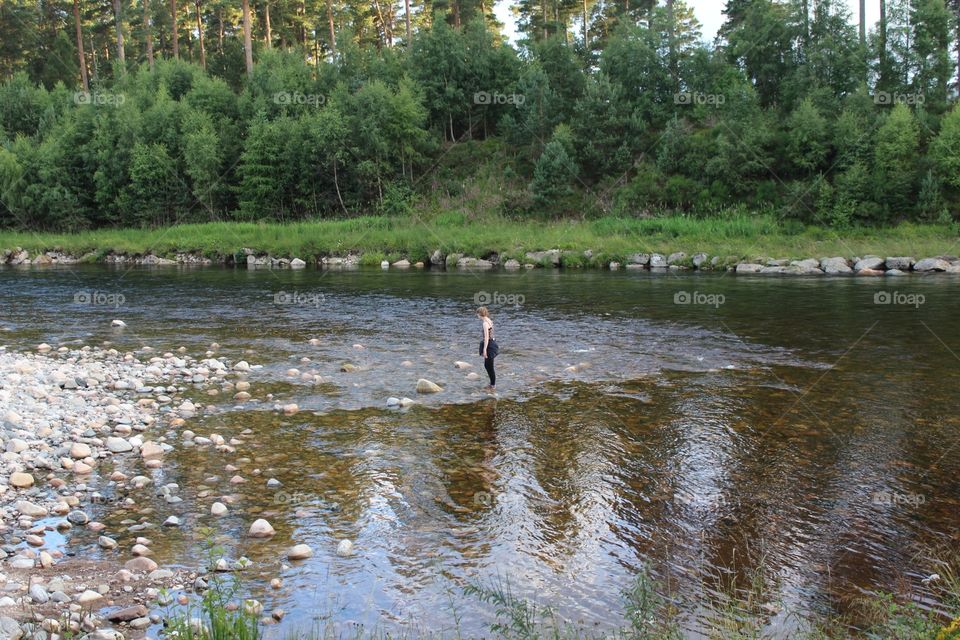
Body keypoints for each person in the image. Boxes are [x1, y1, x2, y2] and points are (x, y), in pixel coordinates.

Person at [477, 306, 498, 392]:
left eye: (477, 314)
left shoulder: (485, 323)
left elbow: (486, 337)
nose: (477, 316)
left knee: (489, 366)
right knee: (488, 365)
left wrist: (484, 350)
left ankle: (492, 385)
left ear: (480, 314)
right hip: (493, 343)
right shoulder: (489, 320)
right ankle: (492, 384)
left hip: (489, 345)